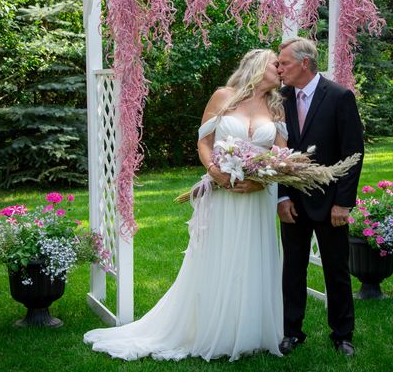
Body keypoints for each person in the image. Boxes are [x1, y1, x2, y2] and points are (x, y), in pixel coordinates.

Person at [84, 49, 287, 361]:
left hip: (258, 196)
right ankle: (209, 326)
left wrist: (260, 181)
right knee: (219, 256)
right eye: (278, 64)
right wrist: (214, 171)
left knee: (252, 256)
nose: (282, 70)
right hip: (222, 193)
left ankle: (247, 330)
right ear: (259, 65)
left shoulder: (276, 107)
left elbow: (282, 155)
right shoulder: (224, 96)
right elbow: (204, 142)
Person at [276, 37, 364, 357]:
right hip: (294, 203)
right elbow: (279, 152)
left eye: (284, 62)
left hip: (331, 204)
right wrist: (281, 198)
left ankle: (342, 334)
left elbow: (353, 153)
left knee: (336, 269)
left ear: (304, 63)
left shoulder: (340, 97)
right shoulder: (280, 98)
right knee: (292, 269)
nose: (279, 68)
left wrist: (343, 202)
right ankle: (291, 331)